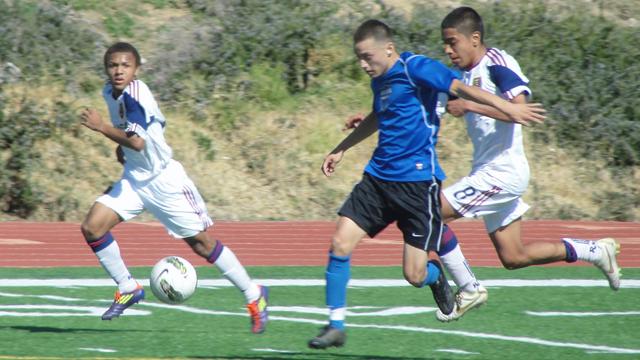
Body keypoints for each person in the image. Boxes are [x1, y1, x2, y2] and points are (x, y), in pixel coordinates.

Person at [308, 19, 546, 349]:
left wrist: (507, 106)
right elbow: (380, 115)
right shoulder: (380, 81)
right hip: (377, 179)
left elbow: (459, 88)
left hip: (417, 185)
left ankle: (438, 279)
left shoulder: (416, 66)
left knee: (414, 275)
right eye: (358, 58)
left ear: (387, 49)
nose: (363, 64)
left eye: (367, 56)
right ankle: (335, 325)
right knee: (340, 243)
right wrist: (342, 148)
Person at [433, 7, 621, 321]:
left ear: (474, 38)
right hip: (489, 172)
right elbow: (433, 107)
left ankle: (468, 287)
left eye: (452, 42)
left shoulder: (498, 64)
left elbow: (520, 110)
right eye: (445, 44)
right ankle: (594, 251)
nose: (448, 50)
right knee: (513, 256)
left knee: (430, 213)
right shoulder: (461, 76)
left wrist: (470, 104)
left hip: (501, 174)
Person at [79, 42, 269, 334]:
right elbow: (140, 134)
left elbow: (138, 140)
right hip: (135, 178)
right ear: (106, 68)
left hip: (165, 181)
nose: (118, 70)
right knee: (93, 227)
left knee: (202, 245)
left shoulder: (134, 94)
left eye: (125, 65)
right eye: (113, 65)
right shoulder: (109, 91)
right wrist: (124, 148)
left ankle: (254, 295)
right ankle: (128, 286)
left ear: (136, 69)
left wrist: (103, 127)